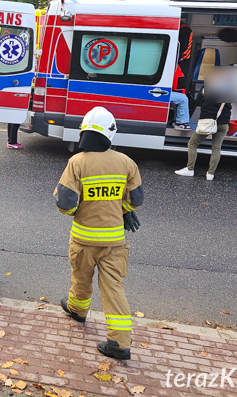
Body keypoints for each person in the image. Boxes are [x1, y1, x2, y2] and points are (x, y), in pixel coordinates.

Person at [53, 106, 144, 361]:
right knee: (113, 288)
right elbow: (136, 200)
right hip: (114, 241)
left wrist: (82, 209)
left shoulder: (77, 163)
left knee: (81, 277)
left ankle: (77, 310)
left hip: (84, 238)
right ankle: (119, 343)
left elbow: (65, 204)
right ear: (110, 134)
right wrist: (121, 209)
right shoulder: (126, 162)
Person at [175, 89, 231, 180]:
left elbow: (198, 102)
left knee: (192, 143)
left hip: (207, 122)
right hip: (223, 123)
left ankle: (190, 169)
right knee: (216, 148)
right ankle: (210, 174)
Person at [170, 65, 191, 129]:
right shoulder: (174, 64)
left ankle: (175, 120)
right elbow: (177, 78)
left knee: (180, 97)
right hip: (158, 91)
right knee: (182, 98)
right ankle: (180, 122)